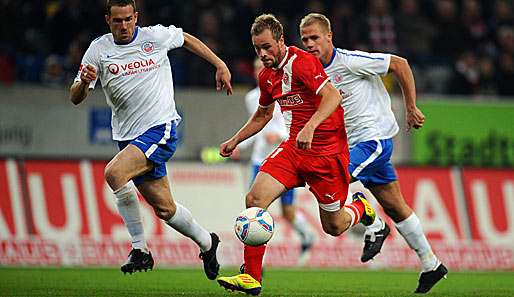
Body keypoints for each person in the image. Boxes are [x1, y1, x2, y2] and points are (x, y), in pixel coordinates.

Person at [69, 0, 232, 279]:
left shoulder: (153, 36)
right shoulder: (98, 49)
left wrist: (219, 64)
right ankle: (207, 242)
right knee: (165, 209)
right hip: (128, 136)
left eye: (128, 19)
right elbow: (75, 97)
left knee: (114, 173)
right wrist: (83, 82)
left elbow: (186, 39)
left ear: (136, 17)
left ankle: (139, 249)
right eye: (117, 20)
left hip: (161, 128)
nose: (124, 26)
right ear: (108, 20)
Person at [216, 14, 376, 295]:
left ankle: (361, 207)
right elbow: (263, 114)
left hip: (327, 154)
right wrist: (235, 140)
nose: (263, 54)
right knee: (254, 198)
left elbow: (332, 97)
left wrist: (311, 127)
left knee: (334, 226)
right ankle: (252, 278)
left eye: (267, 47)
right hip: (294, 150)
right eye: (257, 49)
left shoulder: (302, 62)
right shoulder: (267, 76)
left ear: (280, 40)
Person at [299, 13, 448, 294]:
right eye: (305, 39)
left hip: (373, 140)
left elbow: (399, 64)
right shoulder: (312, 72)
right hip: (350, 145)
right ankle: (431, 263)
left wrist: (411, 107)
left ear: (329, 37)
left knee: (333, 179)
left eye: (315, 38)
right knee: (395, 205)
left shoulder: (350, 61)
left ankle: (371, 220)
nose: (309, 44)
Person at [238, 58, 315, 265]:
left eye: (261, 68)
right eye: (255, 68)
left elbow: (293, 125)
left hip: (285, 159)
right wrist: (239, 145)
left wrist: (279, 136)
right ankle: (255, 263)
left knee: (288, 213)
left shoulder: (285, 92)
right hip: (259, 160)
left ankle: (308, 236)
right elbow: (255, 125)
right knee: (254, 207)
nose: (258, 71)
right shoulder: (252, 97)